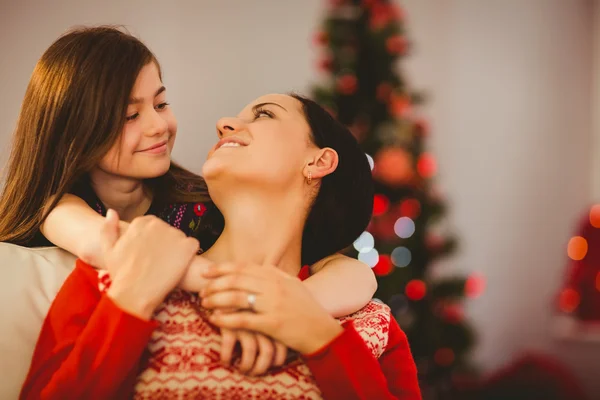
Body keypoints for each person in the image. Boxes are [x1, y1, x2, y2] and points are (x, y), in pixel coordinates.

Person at [0, 26, 377, 374]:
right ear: (74, 136)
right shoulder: (60, 209)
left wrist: (293, 305)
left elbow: (349, 270)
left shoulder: (201, 204)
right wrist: (244, 298)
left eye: (161, 104)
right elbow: (118, 248)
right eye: (131, 115)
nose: (158, 126)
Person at [21, 93, 421, 399]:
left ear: (318, 161)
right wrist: (130, 302)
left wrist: (318, 336)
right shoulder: (120, 269)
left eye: (263, 114)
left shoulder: (369, 323)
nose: (224, 123)